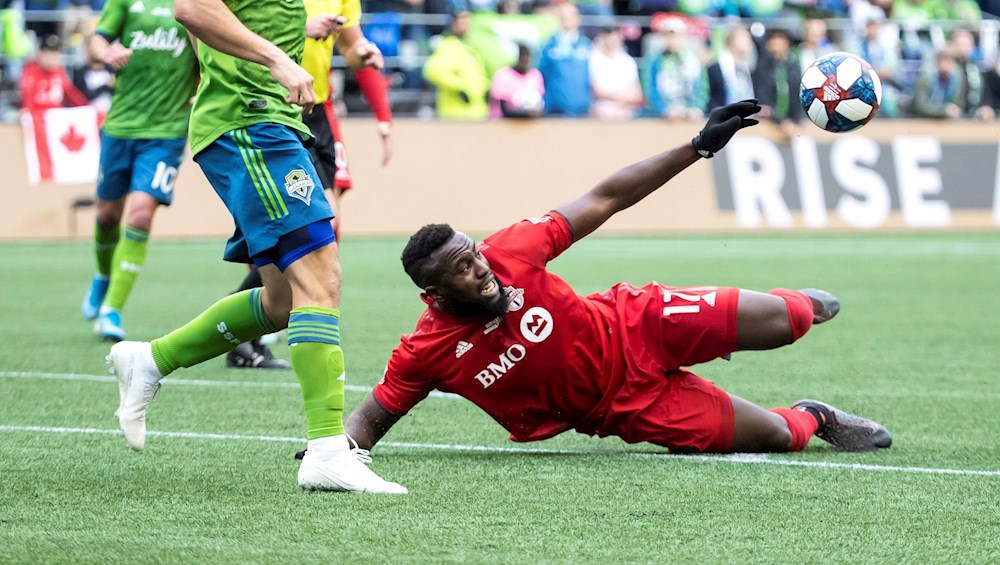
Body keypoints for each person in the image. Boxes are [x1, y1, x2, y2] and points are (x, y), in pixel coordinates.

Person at [320, 100, 892, 464]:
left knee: (786, 321)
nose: (480, 268)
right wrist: (335, 450)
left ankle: (799, 308)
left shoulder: (511, 250)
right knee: (777, 438)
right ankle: (815, 416)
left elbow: (605, 198)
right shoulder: (426, 350)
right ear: (437, 294)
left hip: (637, 322)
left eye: (473, 255)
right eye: (463, 271)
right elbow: (373, 417)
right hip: (623, 406)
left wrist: (697, 147)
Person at [107, 0, 406, 494]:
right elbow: (192, 9)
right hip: (251, 122)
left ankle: (150, 360)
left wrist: (294, 36)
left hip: (264, 120)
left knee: (283, 300)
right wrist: (275, 58)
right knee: (321, 277)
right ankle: (328, 452)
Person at [224, 0, 395, 370]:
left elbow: (351, 45)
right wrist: (303, 28)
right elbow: (226, 25)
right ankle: (252, 328)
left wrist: (362, 54)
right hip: (271, 106)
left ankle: (265, 323)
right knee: (302, 228)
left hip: (318, 111)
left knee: (324, 227)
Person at [79, 0, 199, 342]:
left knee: (140, 217)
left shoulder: (194, 5)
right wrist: (106, 52)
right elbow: (96, 41)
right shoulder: (127, 2)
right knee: (106, 214)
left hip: (167, 133)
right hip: (120, 127)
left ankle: (111, 310)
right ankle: (103, 277)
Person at [422, 10, 491, 120]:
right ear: (453, 24)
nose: (466, 25)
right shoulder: (448, 46)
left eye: (468, 21)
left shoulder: (470, 47)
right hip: (456, 115)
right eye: (462, 21)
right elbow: (433, 71)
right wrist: (460, 88)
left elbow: (478, 77)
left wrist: (487, 89)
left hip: (476, 113)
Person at [642, 16, 706, 120]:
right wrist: (664, 110)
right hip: (662, 117)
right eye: (668, 36)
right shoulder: (653, 60)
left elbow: (702, 89)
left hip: (690, 115)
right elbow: (649, 89)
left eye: (677, 36)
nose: (672, 40)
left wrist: (696, 108)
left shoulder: (695, 61)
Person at [537, 2, 592, 117]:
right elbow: (540, 73)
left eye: (570, 15)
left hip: (582, 110)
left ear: (578, 18)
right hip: (554, 110)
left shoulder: (586, 45)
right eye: (563, 16)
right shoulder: (548, 45)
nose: (566, 18)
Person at [753, 28, 803, 139]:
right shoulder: (762, 68)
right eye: (772, 40)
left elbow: (798, 95)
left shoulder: (794, 66)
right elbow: (763, 98)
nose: (775, 45)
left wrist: (796, 120)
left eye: (780, 40)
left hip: (794, 122)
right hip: (770, 123)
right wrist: (780, 121)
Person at [20, 34, 90, 112]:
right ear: (40, 54)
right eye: (50, 54)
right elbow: (27, 100)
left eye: (56, 54)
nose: (53, 59)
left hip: (55, 117)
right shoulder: (31, 71)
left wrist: (88, 107)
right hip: (38, 116)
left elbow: (71, 94)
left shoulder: (59, 71)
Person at [588, 26, 642, 120]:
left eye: (615, 37)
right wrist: (621, 97)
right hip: (601, 109)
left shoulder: (628, 61)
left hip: (625, 109)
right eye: (609, 37)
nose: (612, 40)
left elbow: (637, 92)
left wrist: (622, 101)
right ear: (603, 38)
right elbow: (596, 91)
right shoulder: (593, 59)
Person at [705, 25, 755, 112]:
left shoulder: (745, 67)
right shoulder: (716, 67)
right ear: (732, 41)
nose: (749, 41)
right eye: (744, 37)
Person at [489, 43, 544, 119]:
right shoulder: (503, 74)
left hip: (530, 125)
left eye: (527, 56)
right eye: (522, 56)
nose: (525, 60)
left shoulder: (535, 75)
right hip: (504, 124)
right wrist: (523, 114)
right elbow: (502, 108)